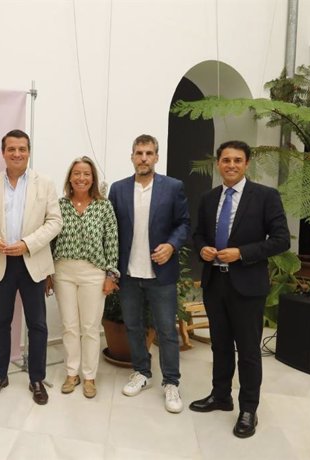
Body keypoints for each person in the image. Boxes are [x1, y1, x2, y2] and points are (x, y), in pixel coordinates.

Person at [190, 140, 289, 438]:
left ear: (246, 164)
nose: (231, 165)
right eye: (225, 160)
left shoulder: (265, 196)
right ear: (218, 163)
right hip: (214, 283)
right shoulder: (208, 198)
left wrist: (242, 253)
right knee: (219, 345)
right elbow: (197, 235)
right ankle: (220, 396)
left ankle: (248, 408)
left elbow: (281, 239)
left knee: (247, 351)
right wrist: (203, 249)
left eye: (237, 160)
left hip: (247, 286)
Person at [0, 129, 62, 405]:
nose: (17, 154)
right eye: (11, 149)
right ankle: (0, 374)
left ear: (29, 151)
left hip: (32, 262)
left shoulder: (44, 183)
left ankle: (37, 378)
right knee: (1, 322)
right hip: (1, 262)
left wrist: (27, 243)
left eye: (22, 149)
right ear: (3, 153)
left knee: (37, 323)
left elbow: (55, 222)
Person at [108, 134, 190, 413]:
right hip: (129, 273)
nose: (144, 158)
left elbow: (183, 224)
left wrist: (171, 244)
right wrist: (111, 270)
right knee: (133, 327)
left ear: (157, 157)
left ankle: (171, 382)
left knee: (167, 330)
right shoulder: (118, 189)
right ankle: (142, 372)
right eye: (139, 153)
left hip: (161, 273)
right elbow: (112, 231)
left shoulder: (173, 187)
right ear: (132, 156)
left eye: (149, 153)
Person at [46, 156, 119, 399]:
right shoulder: (59, 205)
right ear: (70, 177)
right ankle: (71, 372)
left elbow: (112, 241)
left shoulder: (104, 206)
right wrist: (48, 273)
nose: (81, 178)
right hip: (63, 271)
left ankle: (89, 377)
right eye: (76, 173)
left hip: (93, 273)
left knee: (89, 327)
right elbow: (50, 240)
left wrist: (111, 275)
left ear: (93, 178)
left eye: (86, 174)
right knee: (69, 326)